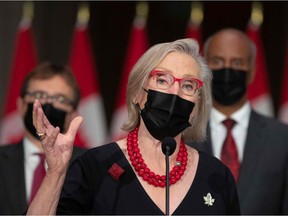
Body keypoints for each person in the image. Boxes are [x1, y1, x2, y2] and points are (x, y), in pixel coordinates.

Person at [27, 38, 240, 215]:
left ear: (196, 106)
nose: (174, 92)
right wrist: (55, 173)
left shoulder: (216, 176)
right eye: (162, 80)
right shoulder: (95, 167)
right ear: (138, 94)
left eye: (187, 85)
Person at [189, 28, 288, 214]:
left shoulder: (282, 139)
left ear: (251, 71)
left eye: (237, 63)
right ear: (204, 69)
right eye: (217, 61)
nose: (227, 70)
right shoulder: (183, 135)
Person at [0, 62, 86, 214]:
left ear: (73, 113)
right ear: (20, 106)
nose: (47, 103)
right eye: (39, 96)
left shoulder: (90, 166)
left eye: (59, 99)